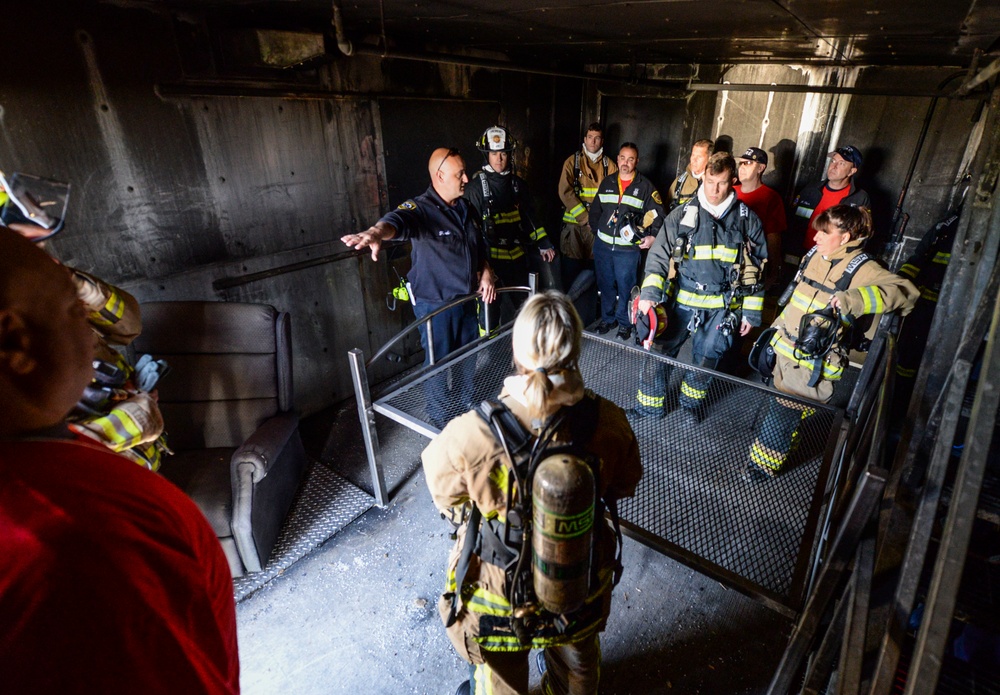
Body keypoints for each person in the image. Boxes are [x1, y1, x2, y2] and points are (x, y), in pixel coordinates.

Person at [0, 228, 239, 693]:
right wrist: (121, 427)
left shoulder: (39, 453)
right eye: (71, 311)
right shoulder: (81, 541)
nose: (92, 338)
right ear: (14, 343)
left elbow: (126, 321)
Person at [422, 291, 642, 695]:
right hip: (581, 579)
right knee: (579, 666)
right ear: (576, 348)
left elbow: (445, 496)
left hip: (500, 597)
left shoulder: (470, 434)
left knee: (500, 681)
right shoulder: (609, 421)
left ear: (515, 350)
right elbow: (626, 483)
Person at [3, 174, 167, 470]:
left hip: (144, 467)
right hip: (101, 479)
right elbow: (32, 456)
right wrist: (130, 420)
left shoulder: (48, 292)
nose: (38, 251)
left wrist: (71, 286)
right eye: (23, 243)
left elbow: (128, 326)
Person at [746, 206, 918, 480]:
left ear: (846, 236)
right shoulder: (816, 254)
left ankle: (761, 467)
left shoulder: (864, 268)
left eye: (824, 233)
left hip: (812, 362)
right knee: (785, 411)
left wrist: (855, 299)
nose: (815, 238)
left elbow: (907, 294)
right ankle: (784, 441)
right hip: (784, 350)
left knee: (783, 414)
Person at [342, 147, 496, 426]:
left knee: (468, 357)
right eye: (459, 174)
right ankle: (440, 421)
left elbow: (478, 246)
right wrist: (376, 233)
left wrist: (485, 271)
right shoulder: (421, 209)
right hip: (436, 306)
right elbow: (396, 222)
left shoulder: (466, 207)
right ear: (439, 176)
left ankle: (466, 406)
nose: (465, 179)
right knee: (438, 365)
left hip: (466, 300)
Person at [633, 152, 767, 421]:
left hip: (721, 307)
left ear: (732, 182)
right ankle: (648, 407)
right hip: (681, 299)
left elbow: (757, 268)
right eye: (709, 181)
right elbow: (658, 256)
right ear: (703, 177)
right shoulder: (681, 215)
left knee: (706, 362)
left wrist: (751, 313)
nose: (714, 190)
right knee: (659, 352)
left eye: (721, 183)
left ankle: (689, 406)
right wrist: (649, 295)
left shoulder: (746, 220)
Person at [465, 125, 555, 327]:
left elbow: (531, 218)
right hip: (491, 264)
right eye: (494, 153)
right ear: (486, 155)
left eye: (503, 153)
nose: (499, 159)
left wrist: (544, 242)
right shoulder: (475, 189)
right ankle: (488, 353)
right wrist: (480, 269)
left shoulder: (518, 185)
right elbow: (471, 233)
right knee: (488, 316)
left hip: (517, 260)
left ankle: (523, 350)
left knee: (525, 310)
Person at [589, 142, 665, 340]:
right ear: (618, 159)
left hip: (628, 251)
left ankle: (624, 323)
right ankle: (607, 319)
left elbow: (658, 215)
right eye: (622, 158)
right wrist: (599, 233)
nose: (625, 162)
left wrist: (652, 236)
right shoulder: (607, 183)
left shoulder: (646, 186)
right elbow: (595, 212)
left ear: (636, 161)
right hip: (603, 247)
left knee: (626, 287)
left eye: (630, 159)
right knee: (605, 285)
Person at [557, 122, 617, 292]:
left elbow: (614, 197)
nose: (593, 142)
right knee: (571, 270)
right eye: (590, 137)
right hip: (574, 227)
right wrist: (585, 218)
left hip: (597, 229)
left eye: (597, 138)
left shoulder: (610, 166)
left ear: (602, 141)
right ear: (585, 139)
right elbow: (565, 192)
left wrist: (597, 221)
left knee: (595, 271)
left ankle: (592, 313)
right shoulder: (572, 162)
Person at [789, 145, 870, 255]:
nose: (834, 166)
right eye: (833, 161)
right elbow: (792, 220)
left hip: (831, 258)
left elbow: (862, 236)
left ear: (851, 171)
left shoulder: (859, 198)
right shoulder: (810, 189)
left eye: (841, 163)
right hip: (799, 253)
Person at [734, 146, 787, 285]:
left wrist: (773, 272)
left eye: (748, 163)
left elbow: (773, 237)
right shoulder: (730, 191)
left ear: (761, 168)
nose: (742, 167)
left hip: (753, 262)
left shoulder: (771, 197)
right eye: (741, 163)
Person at [667, 139, 713, 210]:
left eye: (699, 157)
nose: (694, 160)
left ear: (710, 159)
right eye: (693, 155)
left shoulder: (715, 182)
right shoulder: (680, 181)